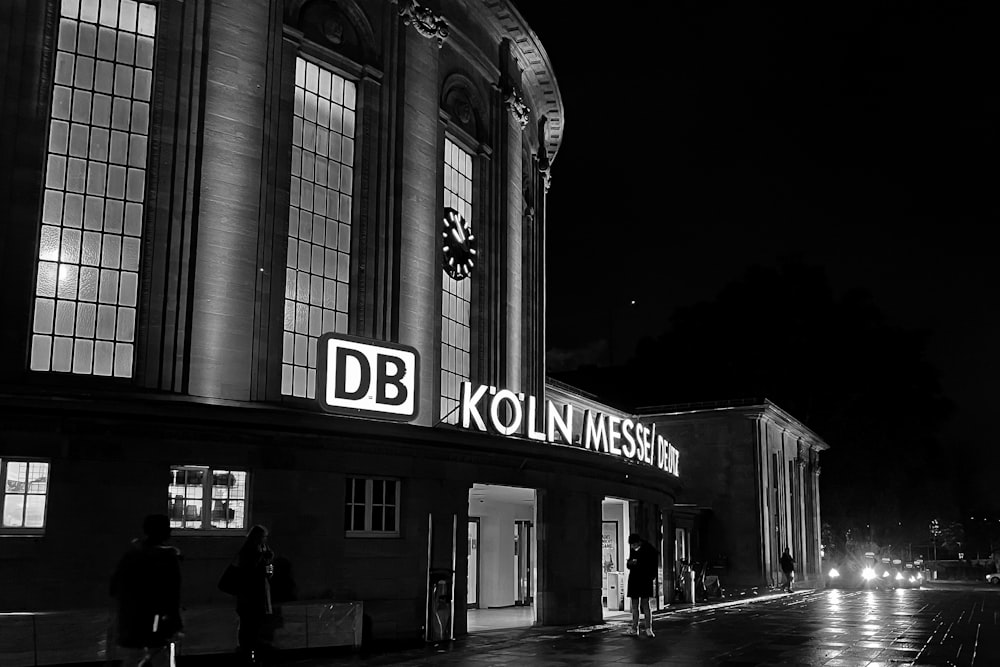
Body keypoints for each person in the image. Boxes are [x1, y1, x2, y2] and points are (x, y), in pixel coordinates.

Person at [109, 514, 183, 667]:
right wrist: (175, 623)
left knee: (133, 658)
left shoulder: (131, 555)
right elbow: (171, 594)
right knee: (160, 658)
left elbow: (114, 587)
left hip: (132, 620)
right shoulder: (167, 558)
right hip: (157, 621)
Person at [232, 524, 275, 665]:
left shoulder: (260, 549)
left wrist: (268, 565)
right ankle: (247, 653)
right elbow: (250, 570)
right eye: (264, 537)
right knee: (248, 626)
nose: (265, 540)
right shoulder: (249, 551)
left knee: (253, 625)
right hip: (250, 595)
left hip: (257, 594)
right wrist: (263, 558)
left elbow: (266, 570)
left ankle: (250, 652)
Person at [624, 533, 657, 638]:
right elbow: (630, 563)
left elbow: (652, 565)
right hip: (635, 579)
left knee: (644, 604)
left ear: (638, 542)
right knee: (635, 605)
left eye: (633, 545)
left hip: (644, 579)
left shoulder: (649, 549)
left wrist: (636, 564)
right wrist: (630, 563)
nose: (632, 547)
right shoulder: (635, 549)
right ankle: (635, 628)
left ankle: (648, 628)